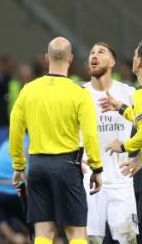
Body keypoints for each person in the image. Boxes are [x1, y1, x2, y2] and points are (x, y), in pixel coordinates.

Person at [9, 37, 103, 244]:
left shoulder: (28, 90)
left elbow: (15, 130)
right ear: (70, 59)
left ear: (46, 58)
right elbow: (90, 135)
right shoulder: (79, 93)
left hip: (38, 166)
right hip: (67, 166)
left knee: (44, 232)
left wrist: (18, 165)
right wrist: (97, 168)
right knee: (76, 233)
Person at [99, 38, 142, 244]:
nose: (134, 59)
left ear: (139, 63)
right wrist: (120, 108)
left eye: (136, 55)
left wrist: (124, 146)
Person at [81, 42, 137, 244]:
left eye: (100, 52)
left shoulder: (128, 93)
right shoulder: (79, 94)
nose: (94, 55)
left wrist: (139, 160)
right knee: (90, 239)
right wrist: (76, 159)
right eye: (91, 52)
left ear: (112, 62)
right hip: (89, 178)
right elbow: (66, 129)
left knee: (127, 239)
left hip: (121, 179)